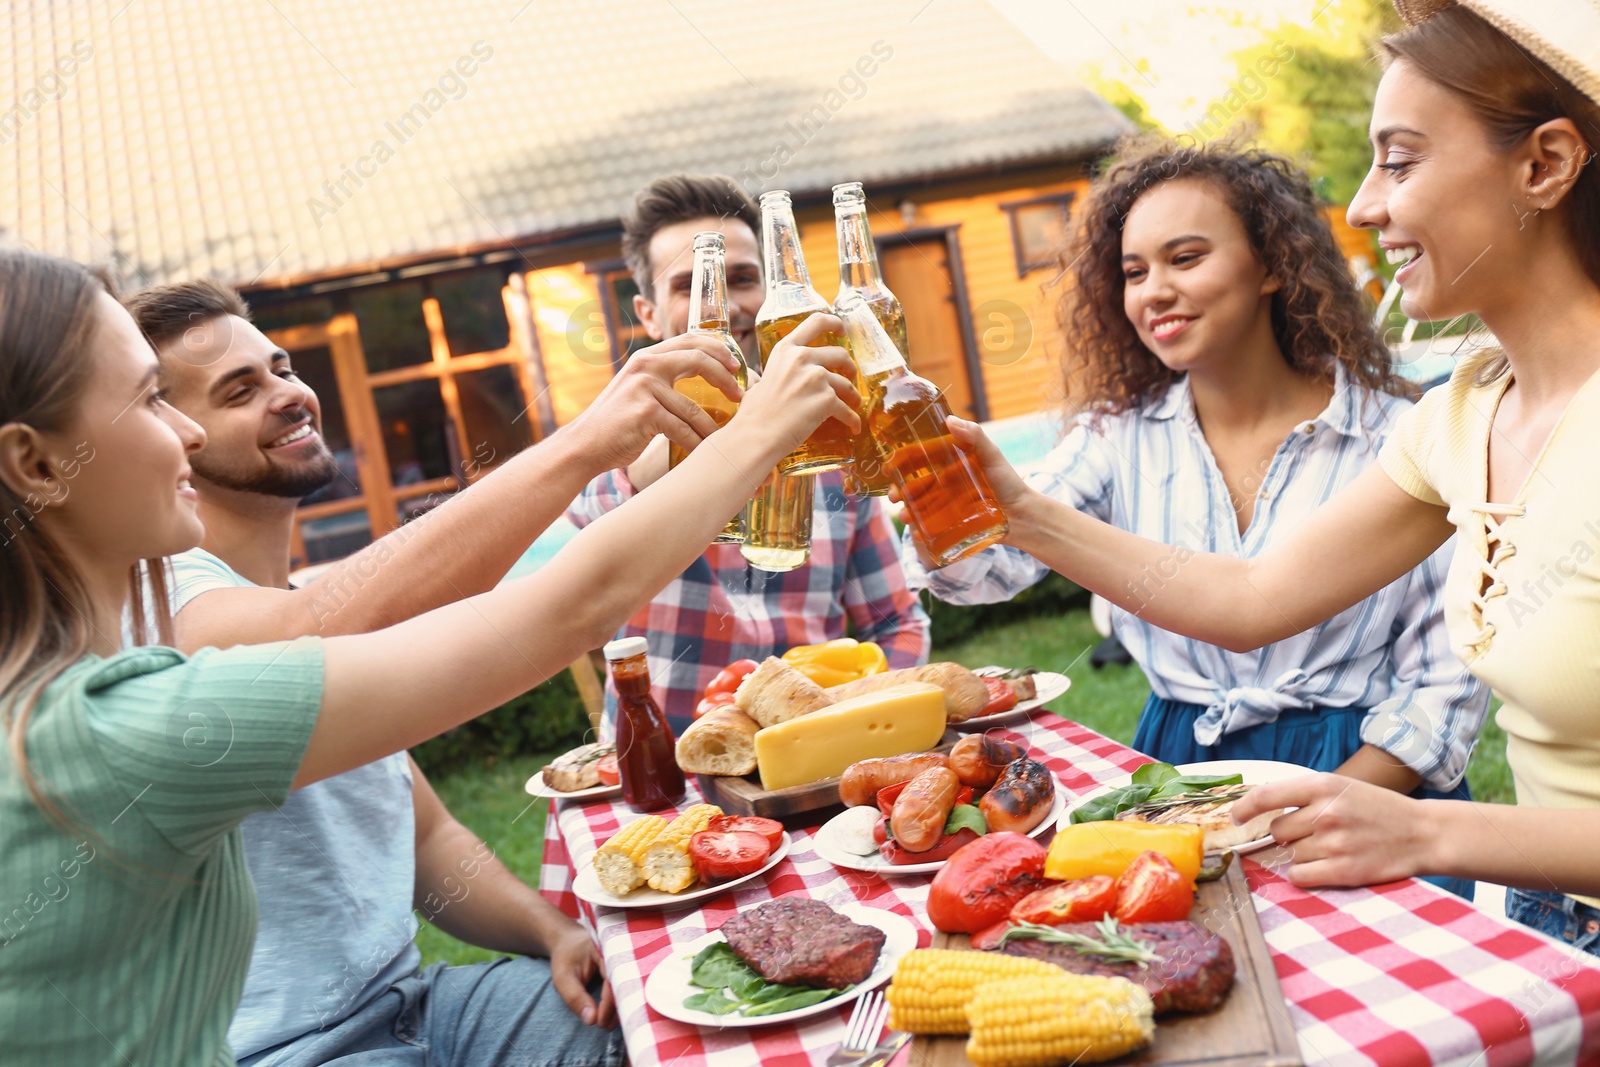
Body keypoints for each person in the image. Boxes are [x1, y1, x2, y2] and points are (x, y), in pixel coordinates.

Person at [0, 246, 858, 1063]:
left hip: (409, 1002)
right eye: (153, 399)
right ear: (35, 462)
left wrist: (556, 929)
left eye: (280, 369)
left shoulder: (96, 694)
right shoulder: (134, 710)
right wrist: (750, 432)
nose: (184, 432)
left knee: (666, 1011)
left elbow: (424, 806)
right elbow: (551, 612)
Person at [947, 0, 1600, 954]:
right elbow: (1255, 597)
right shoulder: (1460, 414)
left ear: (1543, 165)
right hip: (1554, 922)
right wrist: (1018, 513)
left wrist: (1423, 824)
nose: (1367, 204)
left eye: (1403, 159)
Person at [905, 140, 1488, 899]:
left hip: (1368, 780)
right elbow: (985, 573)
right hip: (1180, 773)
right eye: (1135, 271)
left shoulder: (1399, 436)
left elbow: (1442, 687)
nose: (1154, 292)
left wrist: (1319, 811)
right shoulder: (1117, 438)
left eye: (1185, 258)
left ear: (1274, 265)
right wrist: (936, 498)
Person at [567, 174, 930, 734]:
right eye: (692, 286)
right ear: (648, 314)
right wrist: (658, 463)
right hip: (677, 769)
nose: (727, 303)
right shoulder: (619, 448)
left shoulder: (835, 436)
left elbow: (897, 622)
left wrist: (857, 721)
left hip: (817, 749)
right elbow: (569, 602)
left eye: (742, 279)